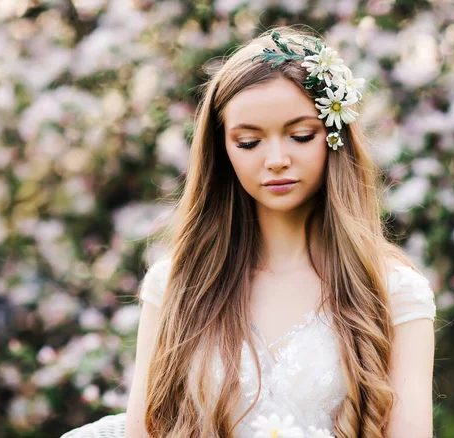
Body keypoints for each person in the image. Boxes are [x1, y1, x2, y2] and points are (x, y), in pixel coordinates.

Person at [123, 26, 437, 438]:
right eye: (249, 142)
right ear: (223, 152)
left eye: (300, 136)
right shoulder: (176, 286)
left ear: (333, 137)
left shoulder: (395, 293)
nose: (276, 160)